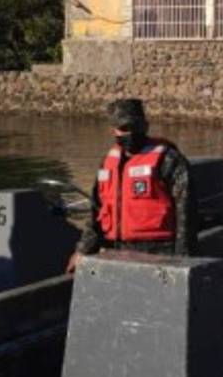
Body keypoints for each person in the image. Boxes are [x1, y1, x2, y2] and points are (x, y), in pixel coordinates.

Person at [66, 98, 192, 273]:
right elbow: (97, 212)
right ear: (114, 130)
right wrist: (82, 250)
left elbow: (186, 213)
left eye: (136, 127)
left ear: (145, 126)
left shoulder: (169, 159)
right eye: (124, 129)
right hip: (115, 252)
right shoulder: (108, 162)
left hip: (159, 253)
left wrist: (182, 261)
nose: (131, 133)